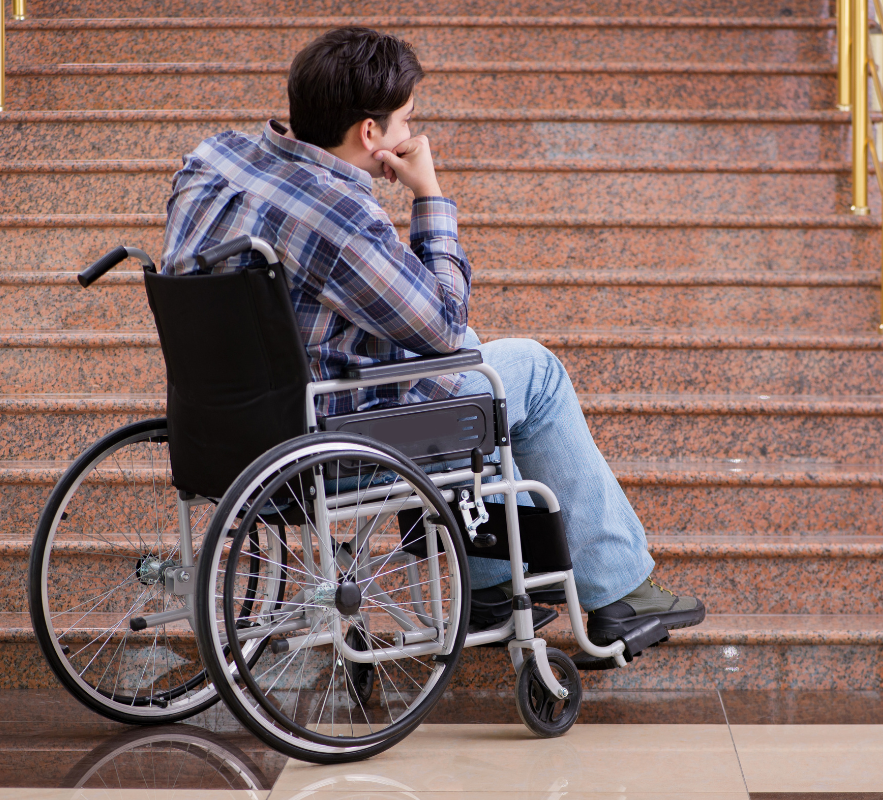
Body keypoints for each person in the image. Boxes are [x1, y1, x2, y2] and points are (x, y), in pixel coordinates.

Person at [161, 26, 705, 650]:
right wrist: (429, 192)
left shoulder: (214, 158)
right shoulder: (339, 218)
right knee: (531, 370)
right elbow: (442, 325)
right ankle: (615, 590)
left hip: (222, 429)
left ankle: (493, 582)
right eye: (405, 121)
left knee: (470, 357)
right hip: (330, 438)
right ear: (371, 134)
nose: (410, 136)